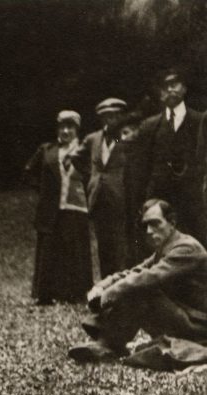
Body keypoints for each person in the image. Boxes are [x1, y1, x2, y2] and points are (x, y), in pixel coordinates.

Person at [67, 198, 207, 363]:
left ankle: (108, 344)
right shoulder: (165, 248)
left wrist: (107, 296)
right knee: (135, 283)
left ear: (172, 223)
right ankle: (106, 342)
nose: (148, 231)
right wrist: (101, 286)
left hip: (198, 326)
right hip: (184, 317)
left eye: (155, 223)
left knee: (141, 288)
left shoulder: (187, 248)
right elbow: (134, 271)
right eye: (145, 225)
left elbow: (149, 277)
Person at [129, 68, 207, 247]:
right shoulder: (150, 126)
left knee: (195, 243)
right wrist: (143, 200)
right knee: (160, 245)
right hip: (160, 197)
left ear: (184, 89)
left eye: (174, 84)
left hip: (191, 199)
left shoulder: (199, 120)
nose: (170, 90)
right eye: (165, 87)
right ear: (160, 93)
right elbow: (141, 168)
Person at [23, 110, 93, 305]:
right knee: (49, 250)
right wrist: (44, 190)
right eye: (62, 127)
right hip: (51, 207)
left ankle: (76, 294)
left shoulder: (84, 150)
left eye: (70, 127)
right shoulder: (47, 150)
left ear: (77, 130)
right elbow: (29, 172)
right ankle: (45, 293)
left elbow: (92, 175)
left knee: (75, 250)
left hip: (76, 206)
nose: (65, 131)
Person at [72, 98, 132, 279]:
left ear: (122, 117)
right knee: (103, 245)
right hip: (99, 197)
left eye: (114, 116)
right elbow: (76, 158)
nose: (110, 120)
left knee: (121, 245)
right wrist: (91, 177)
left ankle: (122, 287)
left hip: (122, 197)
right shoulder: (93, 139)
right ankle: (106, 286)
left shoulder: (130, 138)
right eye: (106, 116)